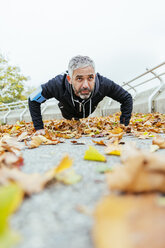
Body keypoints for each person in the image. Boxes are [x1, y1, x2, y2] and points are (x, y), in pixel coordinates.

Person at [28, 55, 133, 135]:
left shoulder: (103, 84)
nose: (85, 85)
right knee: (70, 118)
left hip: (87, 110)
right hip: (67, 110)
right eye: (79, 79)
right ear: (70, 79)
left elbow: (126, 98)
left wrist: (123, 125)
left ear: (95, 76)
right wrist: (39, 128)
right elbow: (33, 99)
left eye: (90, 78)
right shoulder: (57, 84)